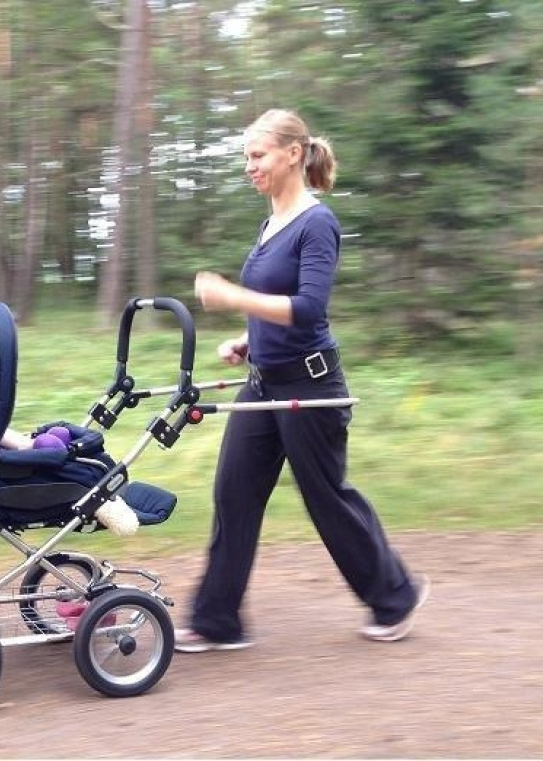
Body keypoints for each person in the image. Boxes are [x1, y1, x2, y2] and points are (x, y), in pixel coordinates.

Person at [177, 108, 428, 653]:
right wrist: (249, 341)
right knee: (234, 491)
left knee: (326, 497)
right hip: (265, 381)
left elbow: (310, 308)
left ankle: (395, 596)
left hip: (311, 388)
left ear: (293, 154)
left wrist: (233, 297)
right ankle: (218, 621)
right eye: (247, 157)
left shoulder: (318, 223)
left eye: (258, 155)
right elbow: (278, 303)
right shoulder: (269, 224)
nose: (250, 166)